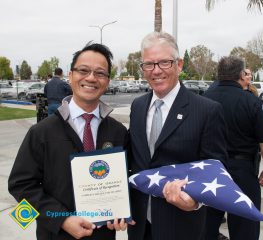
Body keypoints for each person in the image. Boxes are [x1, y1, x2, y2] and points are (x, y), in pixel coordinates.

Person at [8, 43, 131, 240]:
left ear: (107, 81)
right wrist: (61, 219)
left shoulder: (118, 132)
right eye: (83, 70)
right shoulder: (41, 132)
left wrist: (123, 211)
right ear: (70, 75)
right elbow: (20, 186)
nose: (91, 78)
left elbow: (126, 181)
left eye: (100, 73)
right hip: (56, 235)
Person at [128, 31, 228, 240]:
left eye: (164, 62)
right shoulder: (137, 106)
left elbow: (214, 169)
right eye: (149, 64)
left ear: (179, 64)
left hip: (182, 225)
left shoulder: (207, 110)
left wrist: (195, 202)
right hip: (139, 226)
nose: (156, 71)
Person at [203, 56, 263, 240]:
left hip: (209, 172)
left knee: (205, 227)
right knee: (245, 230)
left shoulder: (204, 99)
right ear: (241, 74)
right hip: (242, 173)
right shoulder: (252, 102)